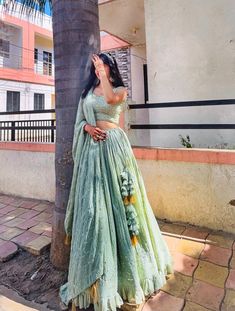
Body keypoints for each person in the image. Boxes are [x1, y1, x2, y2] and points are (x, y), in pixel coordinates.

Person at [59, 52, 174, 311]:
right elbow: (79, 121)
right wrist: (86, 129)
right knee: (93, 210)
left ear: (110, 67)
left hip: (115, 151)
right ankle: (92, 277)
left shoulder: (120, 89)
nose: (100, 68)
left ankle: (125, 275)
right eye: (98, 65)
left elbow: (110, 100)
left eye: (105, 64)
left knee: (123, 209)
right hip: (91, 155)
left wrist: (102, 73)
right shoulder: (86, 93)